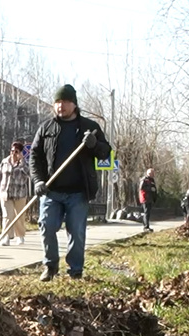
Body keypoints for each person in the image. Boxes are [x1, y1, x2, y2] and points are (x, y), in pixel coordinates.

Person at [30, 84, 112, 281]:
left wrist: (94, 145)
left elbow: (105, 152)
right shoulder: (46, 128)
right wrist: (38, 180)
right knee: (47, 226)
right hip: (51, 190)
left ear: (74, 104)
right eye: (57, 102)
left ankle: (75, 270)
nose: (61, 106)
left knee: (76, 231)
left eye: (65, 102)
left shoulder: (89, 128)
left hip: (78, 192)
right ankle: (50, 266)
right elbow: (34, 155)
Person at [0, 141, 31, 246]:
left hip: (20, 194)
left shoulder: (24, 163)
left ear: (20, 152)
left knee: (19, 216)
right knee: (7, 216)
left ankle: (20, 236)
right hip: (6, 193)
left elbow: (29, 174)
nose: (13, 153)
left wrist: (22, 161)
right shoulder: (4, 162)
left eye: (16, 151)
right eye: (12, 151)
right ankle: (6, 236)